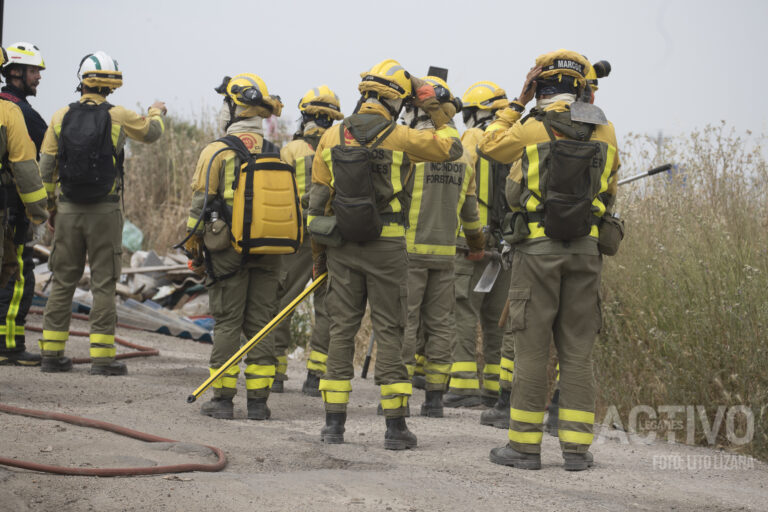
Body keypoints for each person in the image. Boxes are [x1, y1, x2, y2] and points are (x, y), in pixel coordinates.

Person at [308, 58, 462, 449]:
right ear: (396, 101)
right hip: (389, 246)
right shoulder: (403, 137)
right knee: (391, 331)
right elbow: (453, 146)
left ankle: (333, 425)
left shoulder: (330, 138)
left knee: (341, 330)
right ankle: (395, 428)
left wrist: (319, 259)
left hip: (342, 247)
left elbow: (318, 206)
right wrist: (432, 105)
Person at [479, 49, 620, 471]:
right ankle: (577, 450)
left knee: (531, 348)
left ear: (540, 85)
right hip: (586, 251)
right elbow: (611, 188)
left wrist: (516, 103)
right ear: (581, 88)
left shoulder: (531, 128)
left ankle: (524, 448)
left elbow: (488, 148)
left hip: (538, 252)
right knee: (577, 349)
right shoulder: (607, 131)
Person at [39, 51, 166, 375]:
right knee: (104, 283)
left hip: (67, 210)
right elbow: (152, 133)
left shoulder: (59, 115)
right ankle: (102, 358)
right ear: (111, 86)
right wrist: (156, 111)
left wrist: (51, 208)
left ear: (81, 82)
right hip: (104, 212)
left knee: (63, 280)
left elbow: (46, 168)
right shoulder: (119, 114)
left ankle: (51, 355)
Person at [185, 73, 286, 420]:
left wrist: (194, 251)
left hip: (228, 252)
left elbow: (199, 207)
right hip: (269, 252)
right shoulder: (276, 152)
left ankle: (223, 400)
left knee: (228, 322)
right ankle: (259, 403)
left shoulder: (216, 151)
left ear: (234, 106)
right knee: (261, 324)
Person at [400, 75, 484, 418]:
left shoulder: (411, 149)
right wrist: (476, 244)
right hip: (446, 255)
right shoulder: (462, 156)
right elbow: (471, 214)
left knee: (403, 324)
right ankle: (434, 399)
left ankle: (398, 396)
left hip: (408, 253)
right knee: (441, 325)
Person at [269, 85, 343, 396]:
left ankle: (274, 372)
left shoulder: (289, 152)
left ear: (305, 116)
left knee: (283, 302)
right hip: (332, 236)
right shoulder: (341, 149)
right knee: (328, 306)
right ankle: (316, 376)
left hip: (296, 237)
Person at [444, 81, 512, 408]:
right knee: (496, 319)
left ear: (475, 111)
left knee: (464, 312)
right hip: (505, 244)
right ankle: (495, 390)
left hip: (471, 242)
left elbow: (461, 185)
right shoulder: (515, 138)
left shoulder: (471, 138)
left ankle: (463, 385)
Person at [0, 42, 47, 366]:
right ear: (15, 71)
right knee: (17, 274)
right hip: (11, 211)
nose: (39, 78)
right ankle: (10, 344)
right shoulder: (18, 113)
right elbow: (28, 168)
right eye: (34, 71)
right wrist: (39, 213)